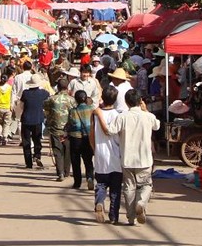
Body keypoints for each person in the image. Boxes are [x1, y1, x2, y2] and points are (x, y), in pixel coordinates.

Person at [98, 89, 160, 226]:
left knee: (129, 188)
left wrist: (99, 116)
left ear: (126, 102)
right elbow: (157, 126)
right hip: (144, 160)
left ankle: (131, 217)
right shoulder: (147, 116)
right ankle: (141, 202)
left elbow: (110, 130)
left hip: (127, 159)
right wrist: (147, 111)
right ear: (140, 101)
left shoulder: (122, 117)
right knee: (146, 185)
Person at [89, 85, 122, 224]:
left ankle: (99, 202)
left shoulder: (96, 115)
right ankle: (113, 216)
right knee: (115, 189)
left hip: (100, 153)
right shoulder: (118, 116)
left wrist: (94, 149)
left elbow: (91, 134)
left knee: (101, 184)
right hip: (116, 156)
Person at [43, 78, 74, 181]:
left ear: (58, 87)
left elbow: (46, 110)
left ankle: (60, 172)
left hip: (55, 129)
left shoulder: (51, 99)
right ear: (67, 87)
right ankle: (66, 171)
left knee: (57, 150)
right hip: (68, 130)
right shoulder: (72, 100)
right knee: (68, 150)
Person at [20, 74, 50, 169]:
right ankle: (37, 155)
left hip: (26, 119)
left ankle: (28, 163)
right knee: (37, 139)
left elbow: (21, 106)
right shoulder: (44, 93)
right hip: (38, 119)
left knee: (26, 141)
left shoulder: (25, 93)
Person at [66, 90, 95, 190]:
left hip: (75, 139)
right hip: (88, 138)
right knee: (88, 160)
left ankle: (77, 183)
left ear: (76, 99)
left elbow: (73, 125)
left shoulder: (73, 111)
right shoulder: (92, 110)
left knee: (75, 161)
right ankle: (90, 177)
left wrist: (67, 132)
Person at [0, 74, 13, 146]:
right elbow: (12, 98)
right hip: (7, 107)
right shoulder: (10, 88)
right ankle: (5, 137)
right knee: (6, 123)